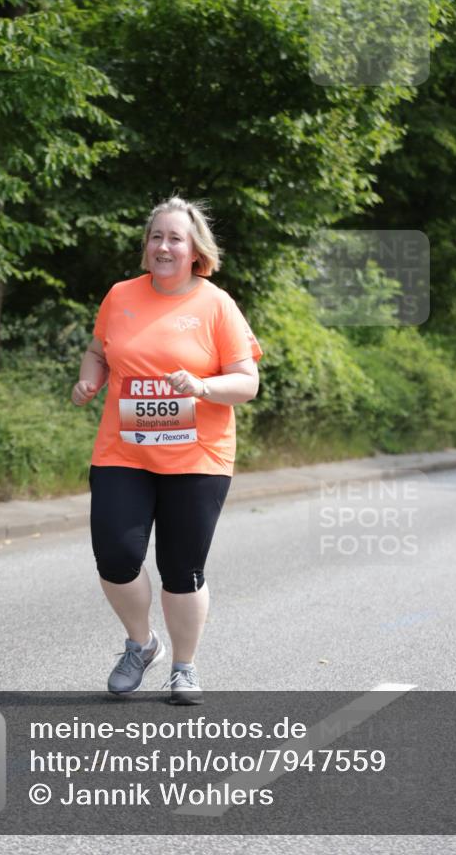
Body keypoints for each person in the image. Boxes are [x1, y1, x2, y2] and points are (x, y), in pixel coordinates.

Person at [71, 195, 262, 704]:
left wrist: (201, 387)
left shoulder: (216, 304)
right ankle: (141, 644)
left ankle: (184, 667)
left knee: (182, 569)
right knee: (115, 556)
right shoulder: (120, 295)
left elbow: (247, 382)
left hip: (198, 456)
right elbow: (97, 351)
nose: (163, 246)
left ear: (195, 250)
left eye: (175, 238)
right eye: (156, 236)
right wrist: (90, 380)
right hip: (123, 451)